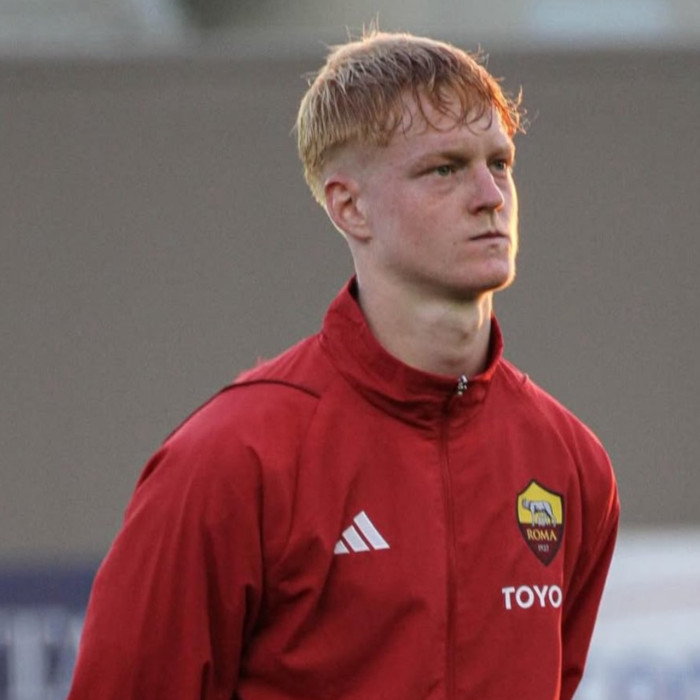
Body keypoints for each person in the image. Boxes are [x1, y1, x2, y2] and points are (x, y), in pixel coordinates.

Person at [68, 29, 619, 700]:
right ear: (349, 207)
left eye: (499, 163)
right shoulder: (233, 458)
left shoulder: (570, 464)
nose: (490, 195)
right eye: (444, 169)